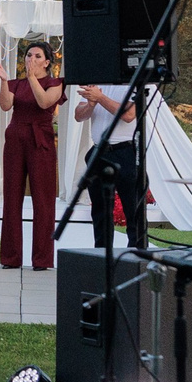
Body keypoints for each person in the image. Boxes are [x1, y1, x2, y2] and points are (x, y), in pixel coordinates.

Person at [0, 40, 65, 271]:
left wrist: (33, 78)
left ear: (47, 62)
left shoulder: (55, 83)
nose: (31, 59)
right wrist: (4, 81)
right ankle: (11, 257)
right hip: (16, 137)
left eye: (37, 56)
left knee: (43, 199)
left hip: (40, 139)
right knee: (12, 196)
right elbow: (5, 105)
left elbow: (44, 102)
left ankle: (42, 259)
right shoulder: (17, 83)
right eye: (28, 55)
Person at [73, 78, 154, 255]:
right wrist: (91, 104)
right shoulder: (97, 81)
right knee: (100, 211)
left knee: (133, 209)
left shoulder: (135, 81)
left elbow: (129, 115)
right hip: (99, 150)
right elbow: (78, 115)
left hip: (125, 150)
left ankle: (136, 256)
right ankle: (102, 256)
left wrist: (100, 98)